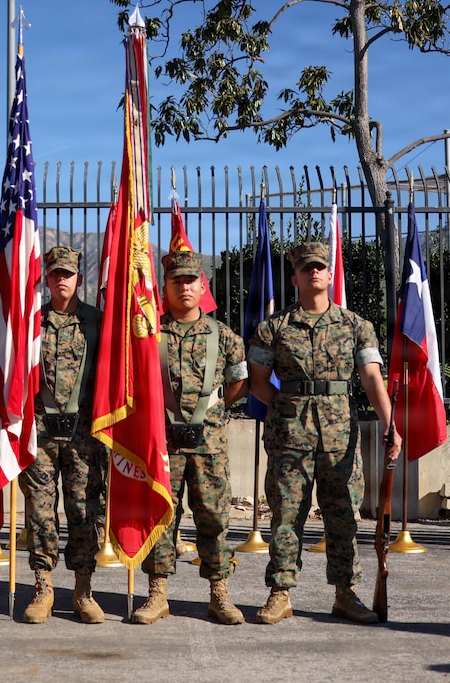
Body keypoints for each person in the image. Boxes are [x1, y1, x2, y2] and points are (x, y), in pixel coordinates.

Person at [247, 242, 402, 625]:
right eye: (306, 267)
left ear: (330, 275)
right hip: (289, 435)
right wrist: (287, 407)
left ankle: (345, 594)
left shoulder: (355, 326)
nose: (314, 272)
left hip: (339, 435)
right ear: (295, 277)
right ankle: (280, 593)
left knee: (343, 516)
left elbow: (371, 379)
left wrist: (390, 423)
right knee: (286, 514)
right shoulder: (274, 328)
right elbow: (257, 382)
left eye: (320, 267)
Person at [132, 251, 248, 625]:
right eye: (176, 281)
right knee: (161, 517)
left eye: (190, 281)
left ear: (203, 286)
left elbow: (239, 382)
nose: (184, 287)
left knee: (214, 519)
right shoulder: (149, 335)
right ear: (164, 287)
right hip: (163, 445)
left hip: (208, 447)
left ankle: (219, 594)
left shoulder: (225, 336)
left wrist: (211, 414)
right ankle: (157, 594)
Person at [19, 246, 107, 624]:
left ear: (79, 279)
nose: (60, 279)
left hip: (84, 436)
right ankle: (43, 586)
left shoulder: (98, 323)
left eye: (67, 274)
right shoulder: (29, 323)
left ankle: (83, 589)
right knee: (40, 513)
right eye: (54, 273)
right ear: (46, 278)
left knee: (84, 511)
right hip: (39, 435)